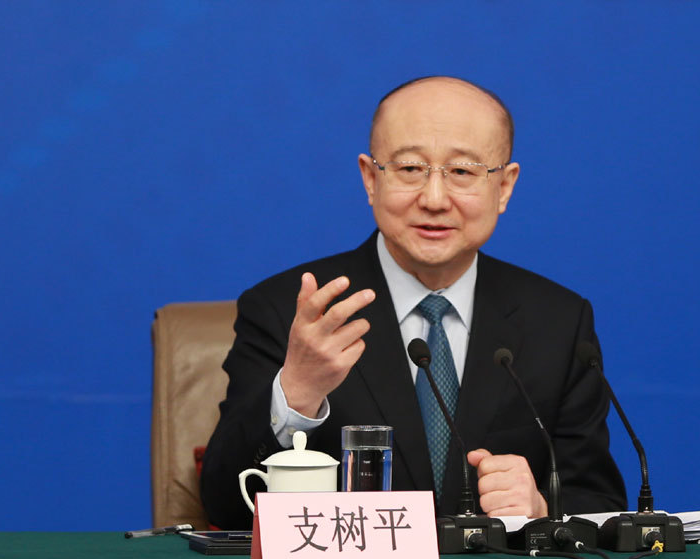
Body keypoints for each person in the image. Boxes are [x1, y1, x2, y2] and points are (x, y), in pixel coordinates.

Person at [201, 76, 626, 530]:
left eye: (462, 172)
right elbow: (224, 505)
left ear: (504, 187)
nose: (434, 200)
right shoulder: (290, 311)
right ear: (370, 178)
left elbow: (600, 501)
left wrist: (543, 507)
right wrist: (298, 392)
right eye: (409, 169)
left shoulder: (558, 322)